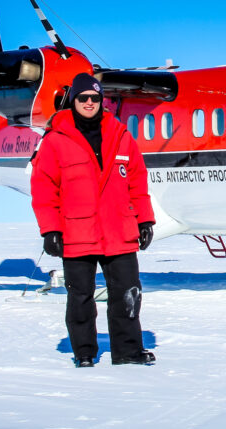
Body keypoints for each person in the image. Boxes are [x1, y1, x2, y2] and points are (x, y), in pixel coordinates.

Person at [30, 72, 156, 368]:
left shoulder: (121, 135)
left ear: (102, 101)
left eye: (95, 98)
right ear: (73, 101)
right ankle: (84, 352)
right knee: (80, 298)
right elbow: (44, 187)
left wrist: (144, 220)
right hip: (77, 230)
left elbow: (137, 182)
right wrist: (50, 229)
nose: (89, 102)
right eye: (83, 98)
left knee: (127, 294)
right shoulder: (56, 140)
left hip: (118, 229)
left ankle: (128, 351)